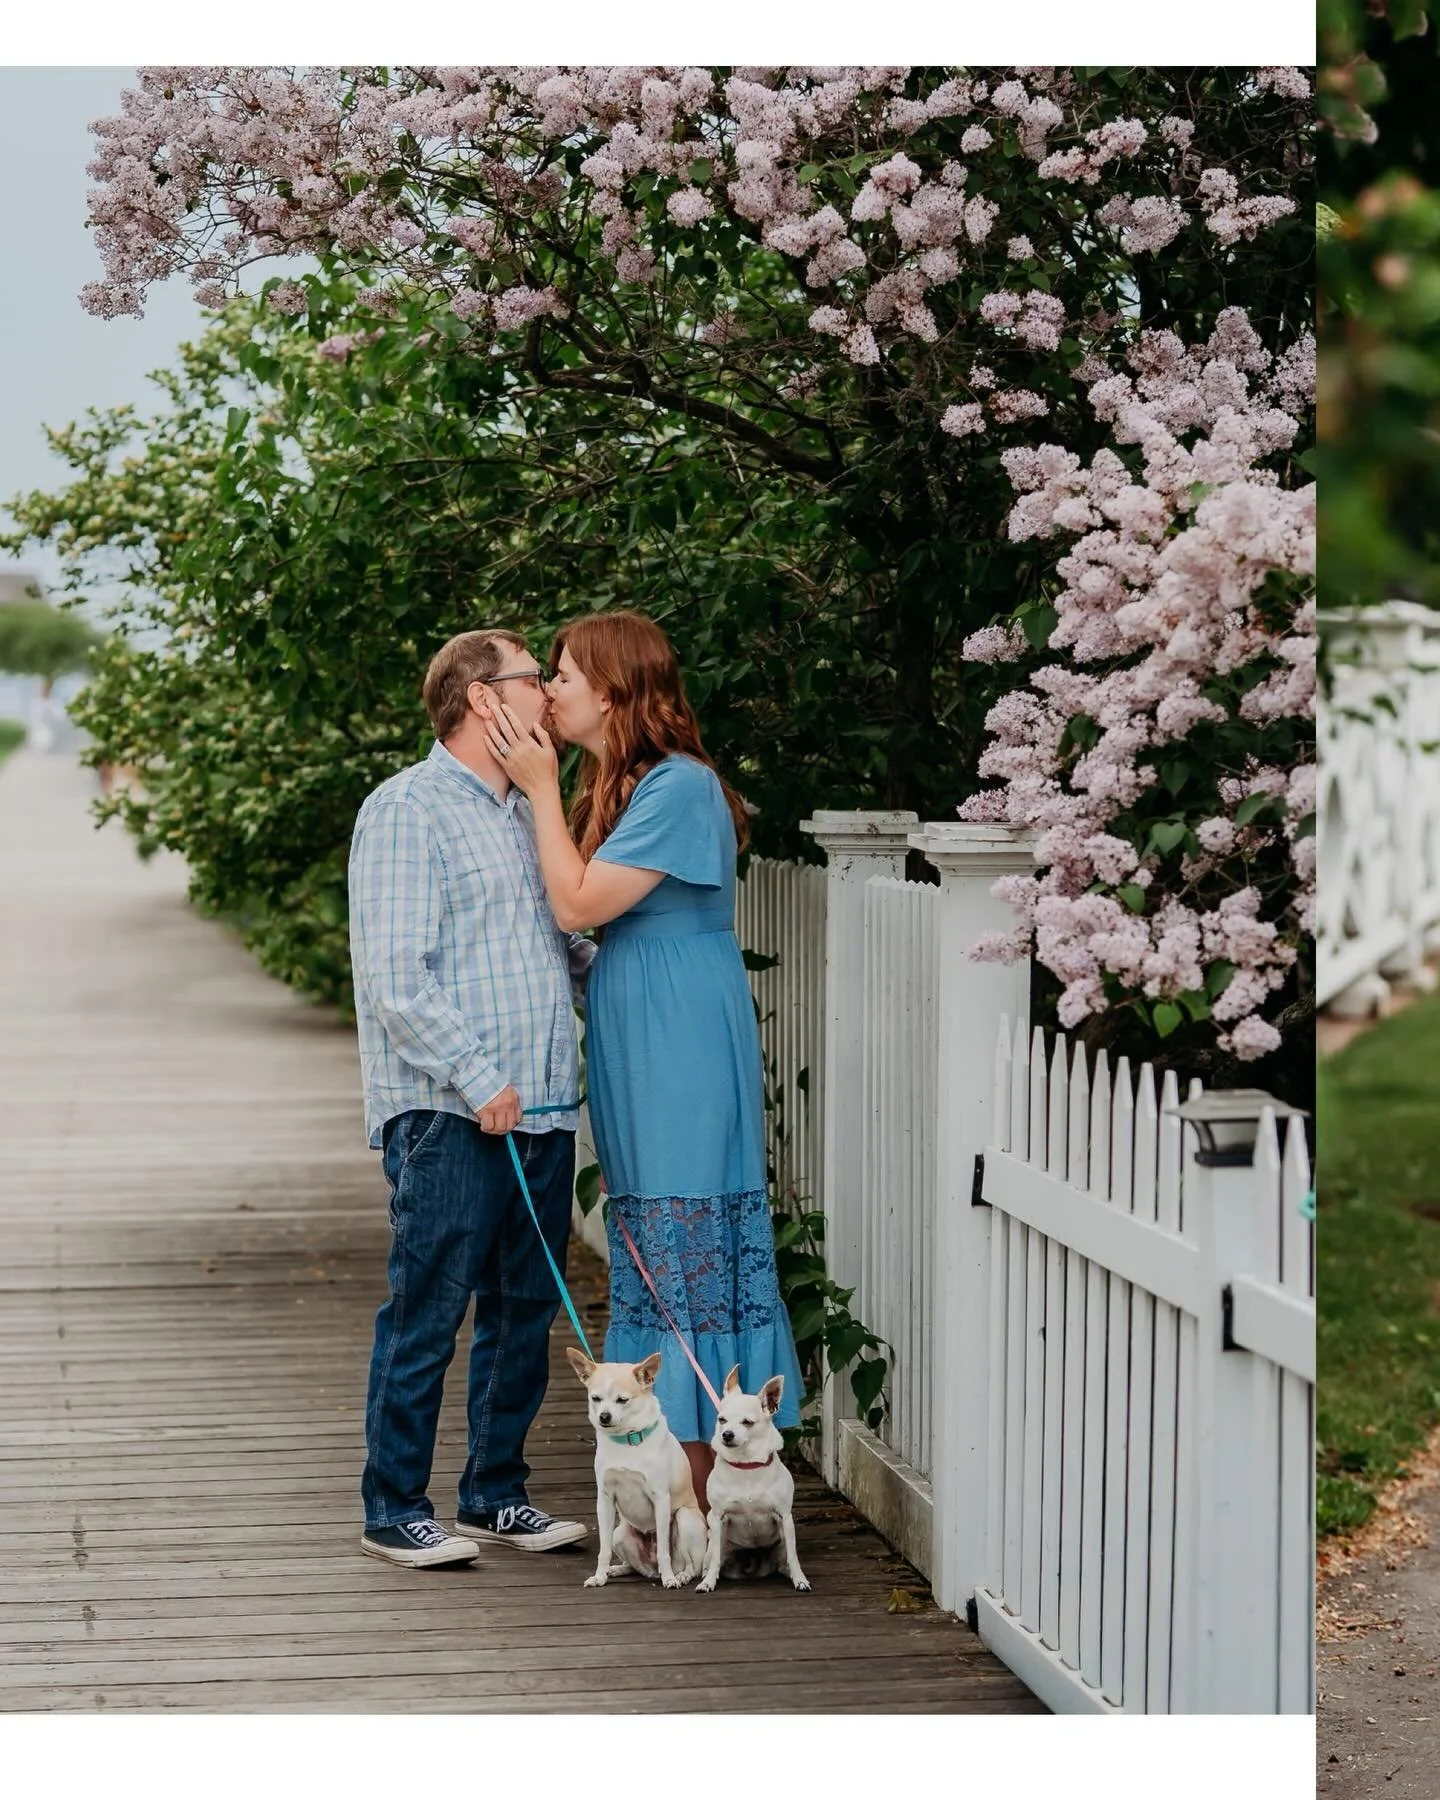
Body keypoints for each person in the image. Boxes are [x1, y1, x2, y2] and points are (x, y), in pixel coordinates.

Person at [479, 610, 803, 1507]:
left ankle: (702, 1486)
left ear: (617, 691)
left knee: (683, 1223)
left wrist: (541, 790)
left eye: (566, 675)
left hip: (681, 1036)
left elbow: (577, 905)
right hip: (639, 1030)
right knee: (651, 1225)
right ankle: (678, 1479)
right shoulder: (622, 787)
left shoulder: (681, 786)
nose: (549, 690)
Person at [348, 628, 593, 1567]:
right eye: (536, 679)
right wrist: (477, 1075)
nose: (549, 695)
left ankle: (496, 1493)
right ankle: (394, 1505)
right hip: (450, 1113)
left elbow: (555, 948)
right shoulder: (407, 810)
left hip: (539, 1106)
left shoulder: (529, 811)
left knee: (522, 1309)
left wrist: (636, 985)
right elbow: (395, 977)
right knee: (428, 1308)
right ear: (483, 699)